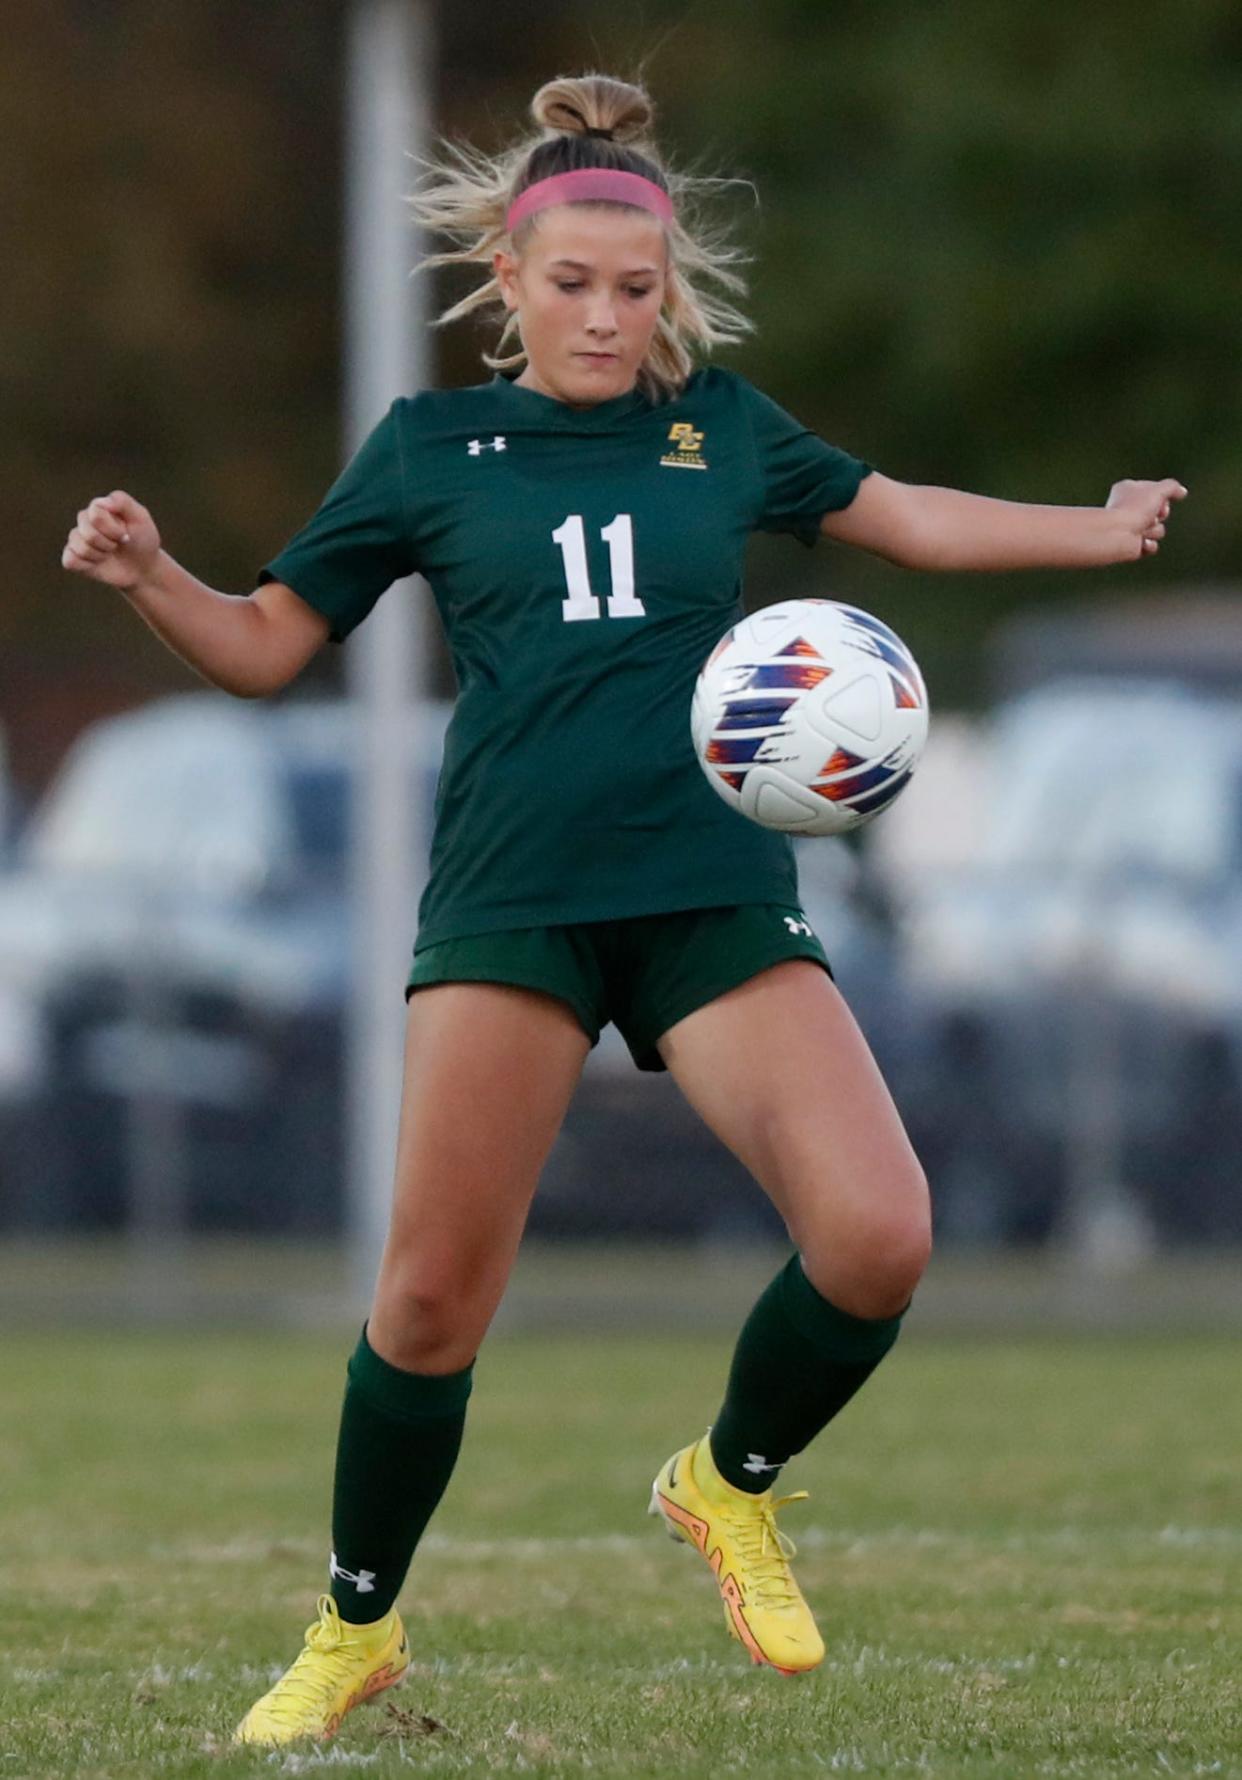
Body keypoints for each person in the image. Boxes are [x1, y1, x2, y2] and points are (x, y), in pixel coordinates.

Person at [61, 71, 1185, 1747]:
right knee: (433, 1299)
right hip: (515, 900)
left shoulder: (723, 428)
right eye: (571, 285)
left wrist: (1089, 537)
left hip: (709, 894)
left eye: (635, 289)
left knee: (879, 1235)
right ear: (504, 285)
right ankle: (355, 1628)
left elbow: (911, 522)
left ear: (671, 294)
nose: (605, 314)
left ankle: (727, 1487)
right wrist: (159, 578)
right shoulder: (430, 449)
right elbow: (268, 647)